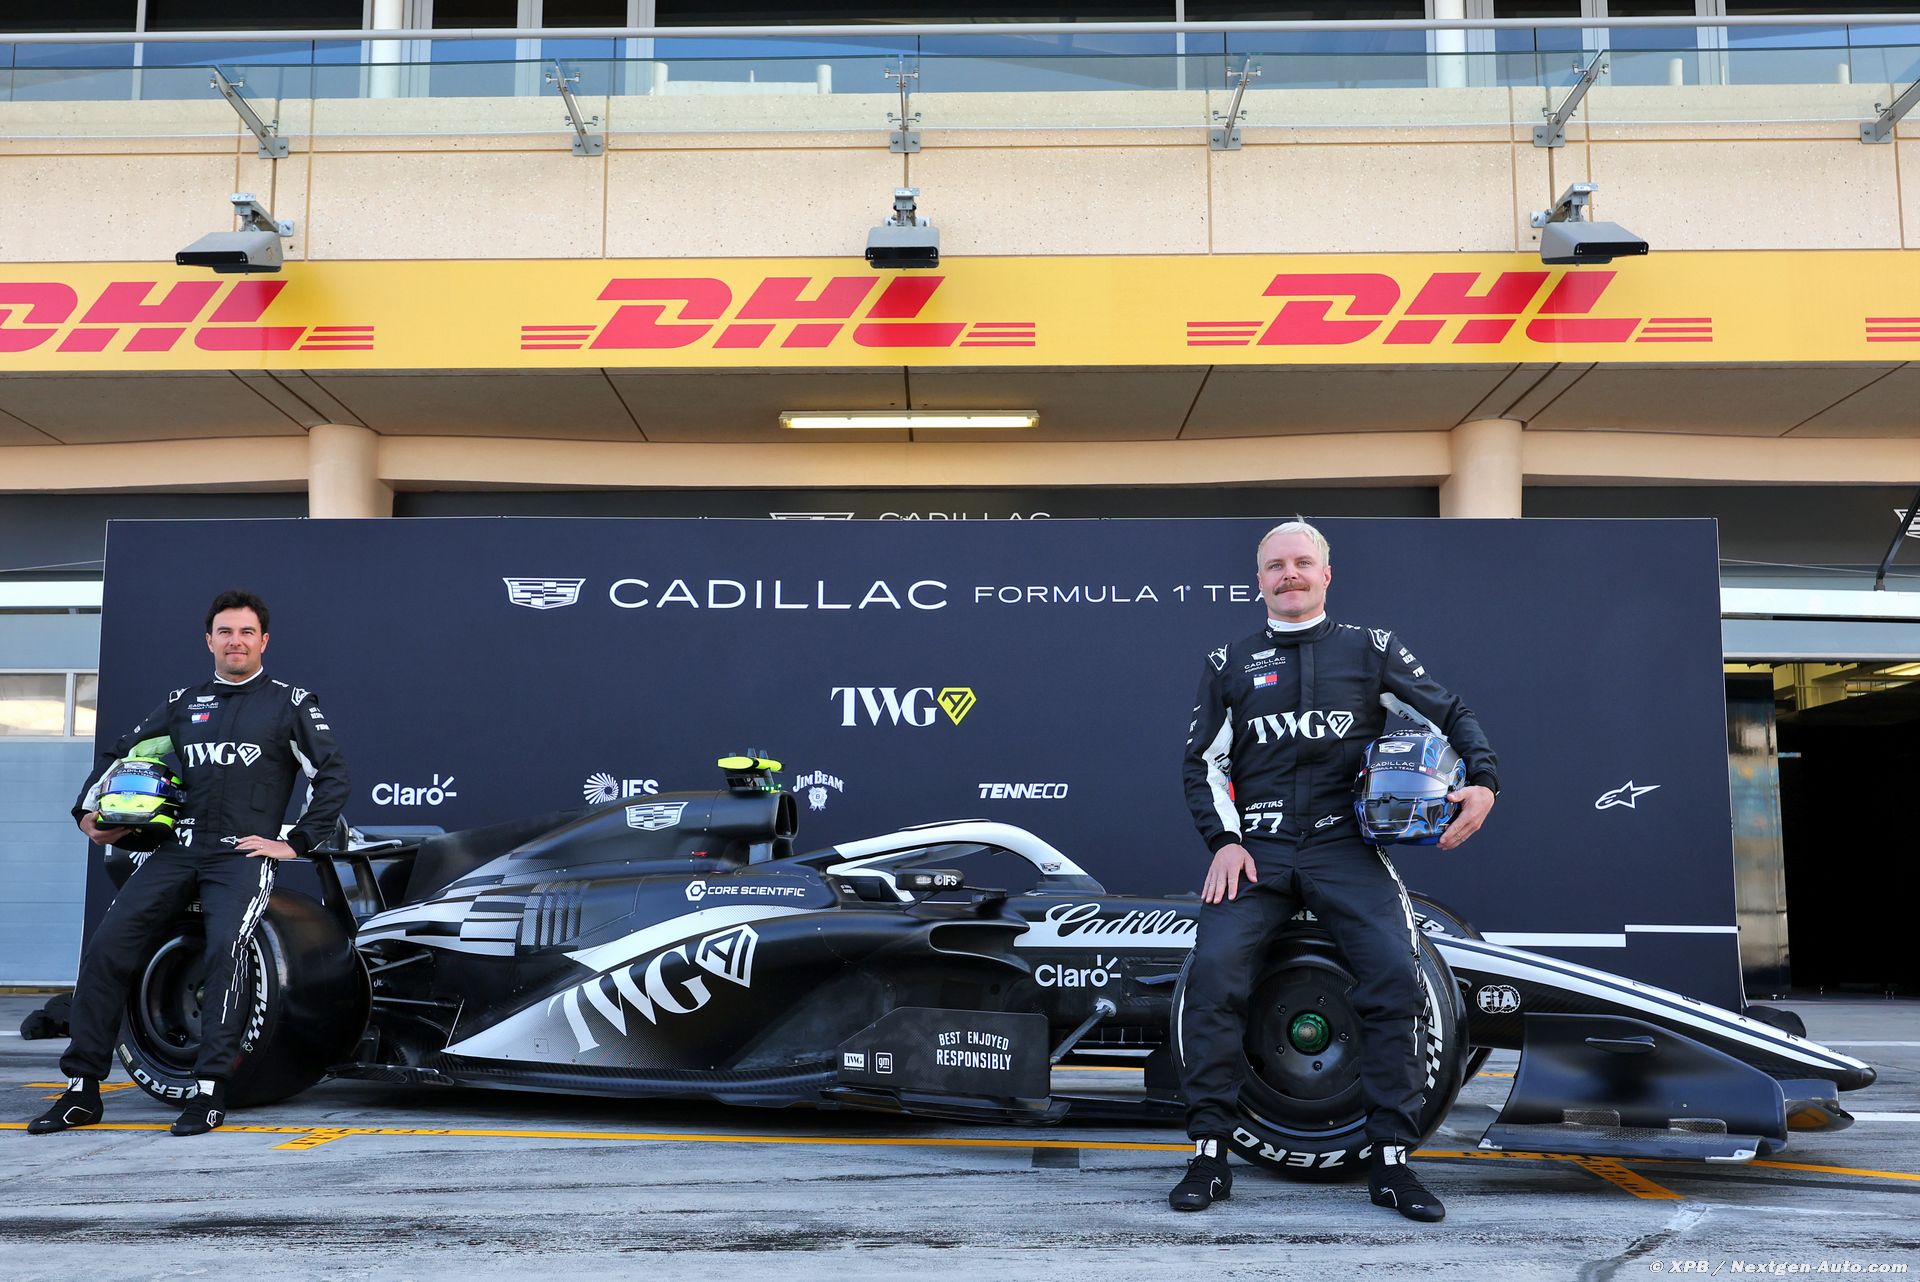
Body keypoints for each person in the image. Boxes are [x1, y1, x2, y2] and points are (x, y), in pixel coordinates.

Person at [1170, 521, 1497, 1221]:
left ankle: (1392, 1161)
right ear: (1259, 580)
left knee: (1396, 978)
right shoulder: (1229, 660)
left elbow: (1450, 712)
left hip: (1345, 845)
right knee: (1215, 975)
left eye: (1301, 562)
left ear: (1326, 573)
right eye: (1275, 565)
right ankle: (1209, 1155)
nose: (1289, 574)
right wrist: (1223, 841)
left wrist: (1483, 781)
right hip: (1257, 850)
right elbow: (1202, 764)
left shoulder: (1370, 648)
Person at [29, 589, 349, 1138]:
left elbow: (333, 776)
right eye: (225, 632)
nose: (235, 641)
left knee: (226, 951)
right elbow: (121, 755)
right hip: (175, 849)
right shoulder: (184, 702)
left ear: (264, 641)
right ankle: (82, 1091)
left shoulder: (291, 703)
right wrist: (86, 813)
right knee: (106, 949)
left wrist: (295, 843)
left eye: (246, 632)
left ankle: (208, 1091)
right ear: (209, 641)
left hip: (240, 853)